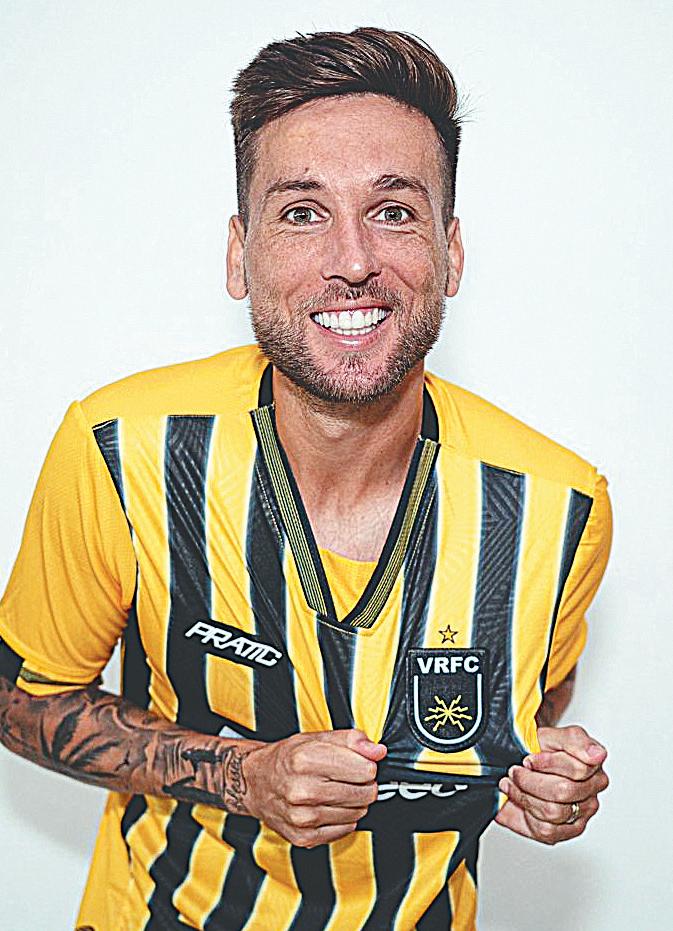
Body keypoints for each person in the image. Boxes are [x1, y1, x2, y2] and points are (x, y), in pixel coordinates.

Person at [0, 27, 611, 931]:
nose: (352, 259)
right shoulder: (121, 449)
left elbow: (529, 703)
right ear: (239, 253)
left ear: (450, 251)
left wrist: (543, 779)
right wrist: (242, 776)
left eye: (393, 211)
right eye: (301, 212)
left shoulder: (558, 506)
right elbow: (22, 697)